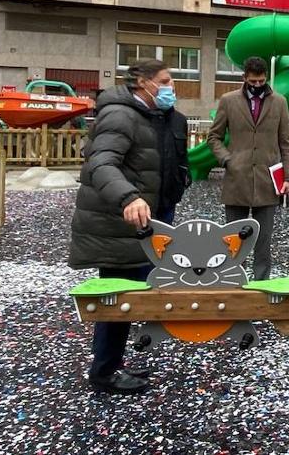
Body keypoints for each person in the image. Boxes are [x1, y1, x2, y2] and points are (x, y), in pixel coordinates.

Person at [67, 58, 184, 395]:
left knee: (133, 295)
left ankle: (112, 362)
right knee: (116, 299)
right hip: (119, 224)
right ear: (142, 84)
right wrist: (128, 197)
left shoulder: (159, 117)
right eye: (164, 81)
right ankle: (104, 373)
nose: (170, 87)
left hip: (151, 220)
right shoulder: (119, 116)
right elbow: (101, 164)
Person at [207, 56, 289, 281]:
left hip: (267, 182)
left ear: (266, 77)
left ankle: (261, 285)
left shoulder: (280, 102)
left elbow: (286, 142)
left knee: (263, 240)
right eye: (253, 82)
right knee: (234, 239)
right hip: (236, 181)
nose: (257, 86)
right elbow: (214, 137)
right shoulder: (228, 101)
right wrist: (228, 160)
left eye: (261, 81)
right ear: (245, 78)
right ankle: (233, 281)